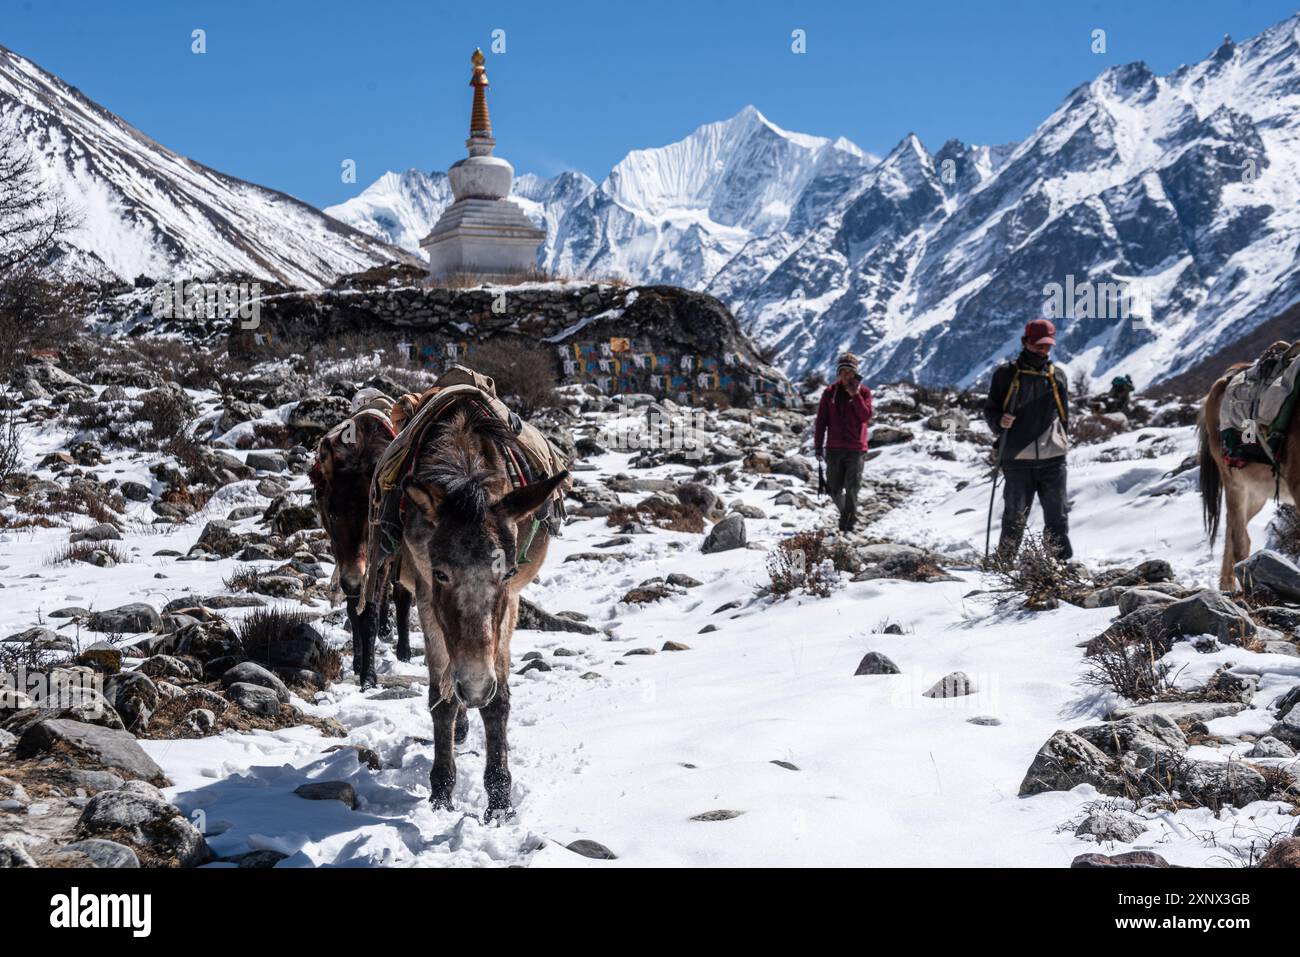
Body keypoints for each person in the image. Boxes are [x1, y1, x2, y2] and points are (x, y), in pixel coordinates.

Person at [983, 319, 1073, 560]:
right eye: (1038, 345)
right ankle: (1005, 562)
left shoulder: (1057, 376)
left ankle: (1059, 563)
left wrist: (1062, 441)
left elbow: (1064, 415)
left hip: (1052, 457)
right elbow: (990, 408)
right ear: (1025, 342)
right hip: (1017, 459)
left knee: (1057, 514)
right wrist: (999, 421)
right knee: (1014, 515)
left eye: (1047, 346)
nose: (1043, 350)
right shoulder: (1005, 375)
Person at [814, 353, 874, 532]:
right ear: (838, 373)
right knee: (833, 488)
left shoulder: (864, 392)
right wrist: (818, 446)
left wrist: (855, 395)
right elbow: (821, 421)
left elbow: (866, 416)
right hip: (833, 448)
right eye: (843, 371)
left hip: (856, 448)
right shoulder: (829, 392)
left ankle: (849, 520)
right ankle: (845, 513)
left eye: (850, 371)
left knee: (852, 487)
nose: (847, 375)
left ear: (855, 373)